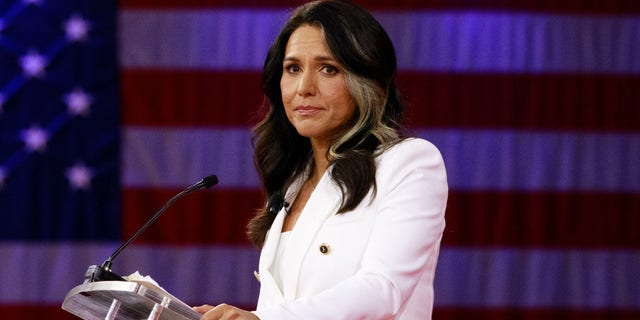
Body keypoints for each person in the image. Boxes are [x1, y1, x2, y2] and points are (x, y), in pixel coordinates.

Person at [193, 0, 447, 319]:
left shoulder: (409, 163)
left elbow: (383, 289)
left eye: (328, 69)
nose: (304, 88)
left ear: (367, 81)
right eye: (293, 68)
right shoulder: (294, 181)